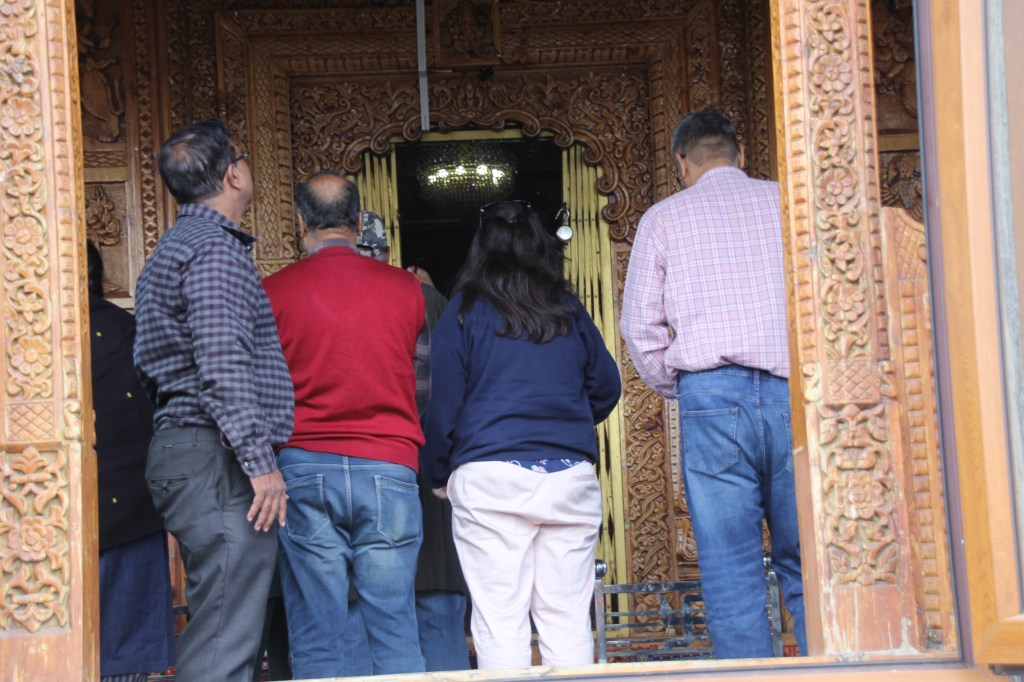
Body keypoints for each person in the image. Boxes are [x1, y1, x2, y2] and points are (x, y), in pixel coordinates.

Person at [620, 108, 807, 659]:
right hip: (795, 394)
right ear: (740, 153)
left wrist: (681, 387)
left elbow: (640, 328)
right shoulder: (790, 205)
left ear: (681, 162)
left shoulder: (664, 218)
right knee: (811, 558)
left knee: (729, 565)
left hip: (711, 399)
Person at [421, 200, 621, 669]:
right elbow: (607, 386)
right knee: (567, 619)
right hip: (569, 477)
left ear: (480, 248)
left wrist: (437, 471)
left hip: (490, 479)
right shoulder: (567, 308)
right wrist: (564, 420)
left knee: (500, 620)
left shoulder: (464, 311)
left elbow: (442, 402)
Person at [133, 118, 293, 682]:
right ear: (233, 174)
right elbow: (222, 365)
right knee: (225, 636)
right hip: (216, 457)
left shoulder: (173, 249)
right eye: (243, 158)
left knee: (228, 621)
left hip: (190, 447)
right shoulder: (212, 252)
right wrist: (260, 464)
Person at [262, 175, 429, 679]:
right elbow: (423, 385)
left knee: (317, 634)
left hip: (304, 467)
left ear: (300, 224)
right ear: (358, 222)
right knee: (395, 627)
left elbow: (263, 389)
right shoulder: (406, 289)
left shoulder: (272, 292)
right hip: (389, 466)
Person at [340, 212, 471, 675]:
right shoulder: (423, 297)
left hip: (350, 472)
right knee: (437, 611)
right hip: (425, 471)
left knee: (359, 615)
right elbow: (451, 390)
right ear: (386, 251)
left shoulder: (323, 295)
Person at [88, 242, 176, 682]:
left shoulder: (22, 332)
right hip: (132, 507)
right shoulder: (128, 329)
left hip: (43, 516)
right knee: (127, 654)